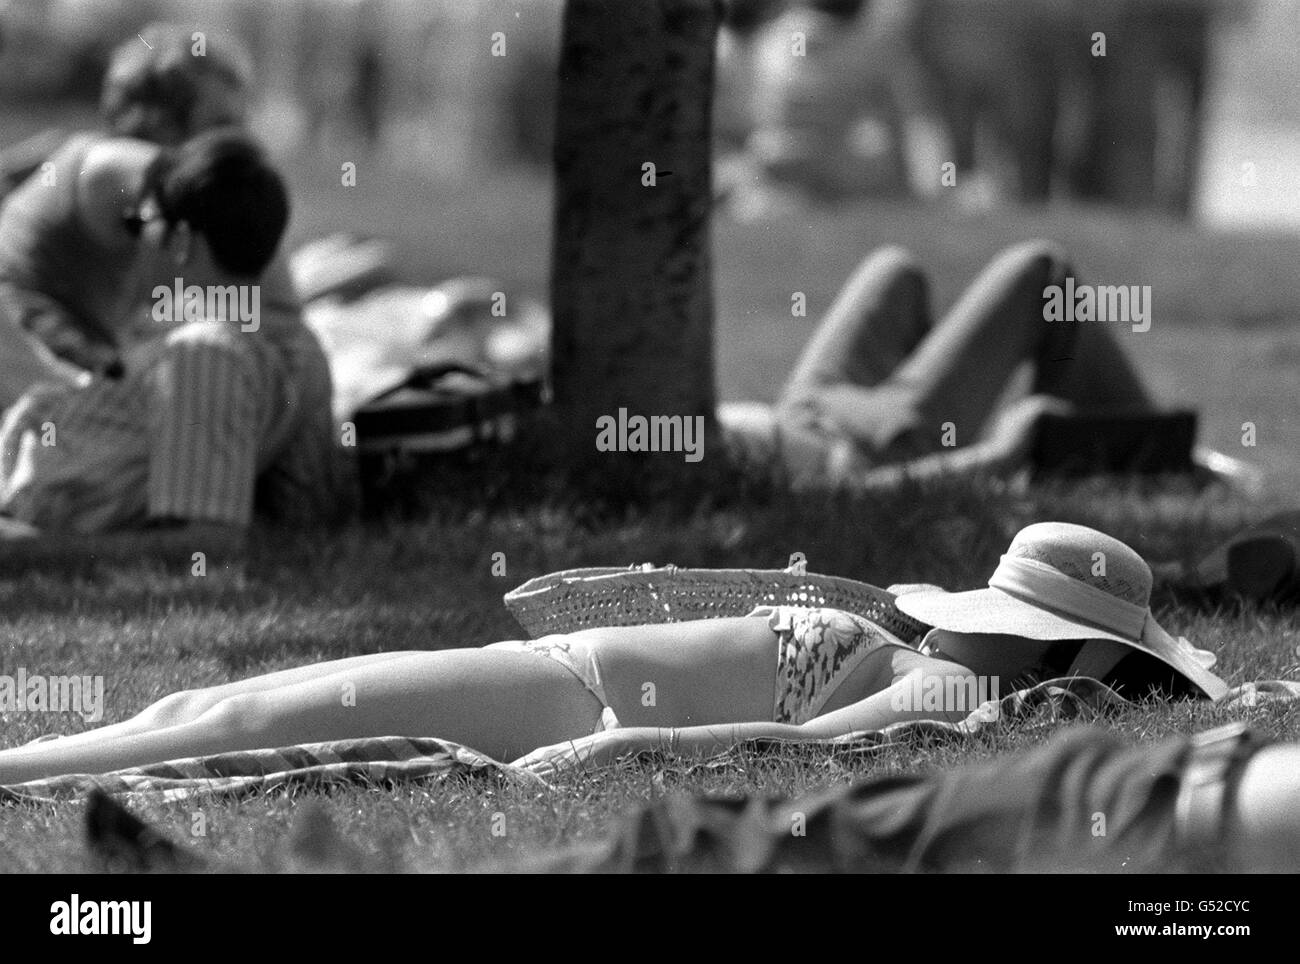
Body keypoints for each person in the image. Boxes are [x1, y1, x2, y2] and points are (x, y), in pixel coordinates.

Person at [0, 522, 1226, 786]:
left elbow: (778, 744)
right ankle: (27, 760)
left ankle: (18, 775)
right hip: (559, 675)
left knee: (230, 724)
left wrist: (597, 754)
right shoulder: (947, 656)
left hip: (562, 696)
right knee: (210, 701)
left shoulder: (961, 686)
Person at [0, 129, 338, 557]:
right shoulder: (303, 353)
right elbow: (306, 514)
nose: (136, 240)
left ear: (180, 242)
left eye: (142, 223)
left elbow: (208, 544)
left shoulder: (204, 354)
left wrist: (27, 553)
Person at [720, 240, 1180, 489]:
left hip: (798, 412)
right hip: (867, 453)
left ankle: (951, 413)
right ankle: (1160, 459)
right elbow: (841, 500)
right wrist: (998, 456)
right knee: (1042, 273)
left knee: (895, 271)